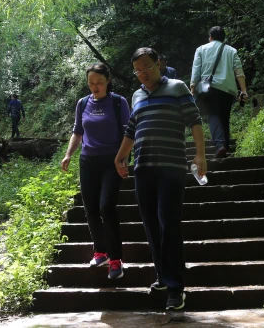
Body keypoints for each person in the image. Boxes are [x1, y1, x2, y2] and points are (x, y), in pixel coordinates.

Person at [114, 47, 207, 311]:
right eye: (138, 70)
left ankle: (176, 289)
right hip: (143, 168)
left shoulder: (177, 87)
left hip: (172, 168)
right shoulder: (136, 95)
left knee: (169, 224)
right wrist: (120, 157)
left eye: (147, 66)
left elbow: (195, 121)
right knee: (151, 226)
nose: (142, 73)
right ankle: (162, 277)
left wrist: (200, 156)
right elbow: (132, 128)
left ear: (159, 64)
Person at [61, 63, 130, 280]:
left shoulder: (118, 102)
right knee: (90, 208)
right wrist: (69, 154)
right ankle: (100, 252)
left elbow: (128, 132)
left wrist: (124, 158)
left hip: (112, 160)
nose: (95, 86)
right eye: (91, 83)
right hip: (88, 161)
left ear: (108, 80)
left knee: (106, 207)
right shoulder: (83, 103)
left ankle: (116, 259)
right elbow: (77, 132)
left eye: (99, 82)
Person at [190, 26, 248, 158]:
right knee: (224, 117)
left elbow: (196, 71)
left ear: (210, 37)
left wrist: (193, 89)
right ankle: (225, 146)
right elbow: (238, 71)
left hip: (209, 88)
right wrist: (243, 90)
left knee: (214, 115)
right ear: (224, 38)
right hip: (228, 89)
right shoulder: (231, 51)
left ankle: (220, 145)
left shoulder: (201, 49)